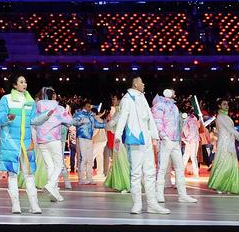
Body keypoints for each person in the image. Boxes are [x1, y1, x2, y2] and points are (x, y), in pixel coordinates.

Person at [111, 76, 168, 215]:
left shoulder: (142, 97)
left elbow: (149, 117)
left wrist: (154, 136)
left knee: (150, 172)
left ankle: (152, 204)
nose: (144, 84)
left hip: (146, 137)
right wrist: (117, 137)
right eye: (142, 82)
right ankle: (137, 204)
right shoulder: (127, 99)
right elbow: (123, 117)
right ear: (136, 84)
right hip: (135, 138)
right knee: (136, 173)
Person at [0, 74, 50, 214]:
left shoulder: (30, 101)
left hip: (27, 142)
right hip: (11, 142)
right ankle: (16, 205)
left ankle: (34, 205)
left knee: (29, 174)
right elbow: (0, 118)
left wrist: (45, 116)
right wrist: (7, 117)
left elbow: (33, 120)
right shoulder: (6, 99)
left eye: (25, 81)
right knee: (12, 174)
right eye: (21, 82)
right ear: (15, 85)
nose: (24, 84)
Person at [151, 88, 197, 205]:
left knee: (179, 168)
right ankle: (159, 194)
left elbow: (177, 124)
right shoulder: (159, 105)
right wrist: (164, 136)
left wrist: (179, 138)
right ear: (167, 92)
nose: (175, 93)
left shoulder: (174, 107)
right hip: (166, 141)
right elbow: (157, 122)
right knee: (162, 168)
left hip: (175, 141)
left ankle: (182, 195)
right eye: (173, 91)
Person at [31, 87, 71, 203]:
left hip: (41, 140)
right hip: (54, 139)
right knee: (59, 165)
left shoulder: (37, 105)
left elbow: (33, 120)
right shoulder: (58, 108)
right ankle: (50, 185)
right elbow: (69, 122)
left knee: (50, 166)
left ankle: (55, 193)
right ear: (53, 96)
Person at [205, 99, 239, 194]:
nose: (227, 106)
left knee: (230, 164)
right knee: (224, 163)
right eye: (224, 104)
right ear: (219, 106)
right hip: (224, 143)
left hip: (229, 142)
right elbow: (231, 130)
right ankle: (219, 185)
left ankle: (229, 186)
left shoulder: (225, 116)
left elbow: (231, 131)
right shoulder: (221, 117)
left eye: (227, 104)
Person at [72, 104, 102, 184]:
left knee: (89, 159)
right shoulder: (79, 114)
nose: (90, 108)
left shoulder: (91, 116)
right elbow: (73, 122)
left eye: (90, 106)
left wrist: (107, 126)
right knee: (83, 158)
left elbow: (96, 124)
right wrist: (80, 122)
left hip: (89, 139)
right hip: (82, 138)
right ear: (84, 107)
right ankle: (82, 179)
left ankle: (89, 178)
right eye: (88, 106)